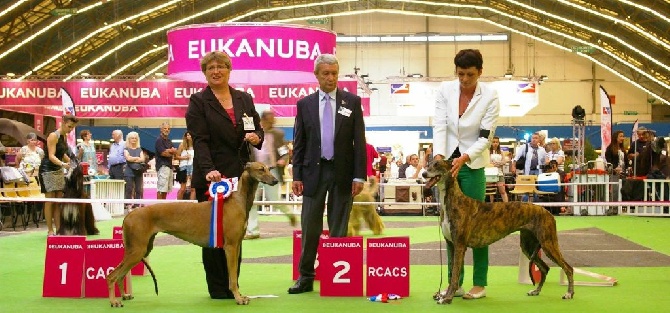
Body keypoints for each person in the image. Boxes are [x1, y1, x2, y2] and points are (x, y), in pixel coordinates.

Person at [185, 51, 263, 300]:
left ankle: (233, 286)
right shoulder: (198, 101)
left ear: (229, 70)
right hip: (213, 178)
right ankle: (218, 289)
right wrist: (209, 171)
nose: (216, 71)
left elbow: (256, 127)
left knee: (235, 234)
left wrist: (256, 136)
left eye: (221, 67)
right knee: (211, 234)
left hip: (239, 176)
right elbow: (200, 140)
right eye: (211, 68)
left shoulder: (244, 99)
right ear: (205, 73)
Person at [288, 53, 366, 295]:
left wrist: (359, 176)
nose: (331, 78)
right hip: (313, 173)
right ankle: (306, 277)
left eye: (334, 73)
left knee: (338, 226)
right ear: (317, 75)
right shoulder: (304, 105)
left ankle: (336, 277)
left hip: (343, 173)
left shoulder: (352, 102)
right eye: (326, 73)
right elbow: (299, 143)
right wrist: (297, 175)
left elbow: (359, 142)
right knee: (310, 226)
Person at [432, 49, 500, 299]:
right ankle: (455, 283)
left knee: (477, 226)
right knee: (451, 229)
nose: (464, 79)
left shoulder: (490, 96)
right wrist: (440, 155)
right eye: (460, 74)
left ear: (480, 72)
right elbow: (439, 124)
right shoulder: (444, 91)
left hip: (471, 165)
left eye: (470, 74)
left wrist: (466, 157)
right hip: (448, 164)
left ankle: (479, 283)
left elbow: (485, 136)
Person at [248, 110, 289, 240]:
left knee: (275, 201)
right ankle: (252, 231)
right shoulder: (253, 133)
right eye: (270, 120)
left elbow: (284, 151)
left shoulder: (278, 134)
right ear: (263, 120)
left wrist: (283, 158)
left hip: (271, 171)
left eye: (273, 120)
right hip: (255, 172)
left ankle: (290, 214)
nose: (273, 122)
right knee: (251, 201)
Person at [39, 115, 78, 236]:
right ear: (63, 123)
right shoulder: (53, 136)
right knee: (50, 200)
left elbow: (62, 154)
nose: (70, 129)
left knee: (58, 201)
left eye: (72, 128)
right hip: (47, 170)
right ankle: (50, 230)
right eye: (69, 126)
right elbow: (51, 156)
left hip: (58, 169)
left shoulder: (64, 136)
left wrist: (73, 163)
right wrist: (63, 164)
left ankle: (59, 229)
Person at [123, 131, 145, 212]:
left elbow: (142, 159)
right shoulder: (126, 149)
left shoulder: (139, 149)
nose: (134, 140)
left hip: (138, 172)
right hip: (129, 172)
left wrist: (133, 158)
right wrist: (137, 158)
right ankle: (129, 205)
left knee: (138, 189)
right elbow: (128, 158)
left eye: (135, 138)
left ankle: (136, 205)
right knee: (129, 189)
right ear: (129, 139)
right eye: (132, 138)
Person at [155, 122, 177, 200]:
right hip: (162, 167)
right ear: (161, 129)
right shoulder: (159, 140)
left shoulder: (169, 141)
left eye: (168, 128)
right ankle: (158, 206)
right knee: (161, 188)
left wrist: (169, 151)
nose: (167, 130)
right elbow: (164, 153)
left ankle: (163, 205)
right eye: (165, 128)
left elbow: (175, 151)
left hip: (169, 167)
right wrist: (170, 151)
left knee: (166, 189)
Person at [605, 130, 626, 202]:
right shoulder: (610, 148)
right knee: (615, 190)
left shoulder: (623, 149)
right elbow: (609, 161)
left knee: (623, 190)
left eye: (623, 136)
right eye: (621, 136)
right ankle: (613, 207)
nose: (622, 138)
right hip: (614, 174)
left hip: (623, 174)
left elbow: (625, 160)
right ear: (615, 137)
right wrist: (614, 168)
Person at [175, 131, 195, 201]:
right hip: (183, 167)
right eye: (188, 135)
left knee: (193, 188)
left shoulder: (195, 146)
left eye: (190, 135)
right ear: (185, 136)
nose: (189, 137)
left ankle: (192, 205)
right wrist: (184, 157)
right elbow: (176, 156)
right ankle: (178, 204)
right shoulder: (182, 145)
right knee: (182, 188)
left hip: (193, 166)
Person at [488, 136, 509, 202]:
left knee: (502, 191)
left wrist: (497, 163)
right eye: (494, 142)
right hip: (490, 174)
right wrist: (498, 163)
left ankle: (507, 206)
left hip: (499, 173)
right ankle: (491, 206)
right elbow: (488, 162)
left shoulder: (501, 152)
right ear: (491, 143)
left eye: (497, 142)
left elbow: (504, 161)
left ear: (499, 143)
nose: (495, 143)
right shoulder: (488, 151)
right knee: (491, 192)